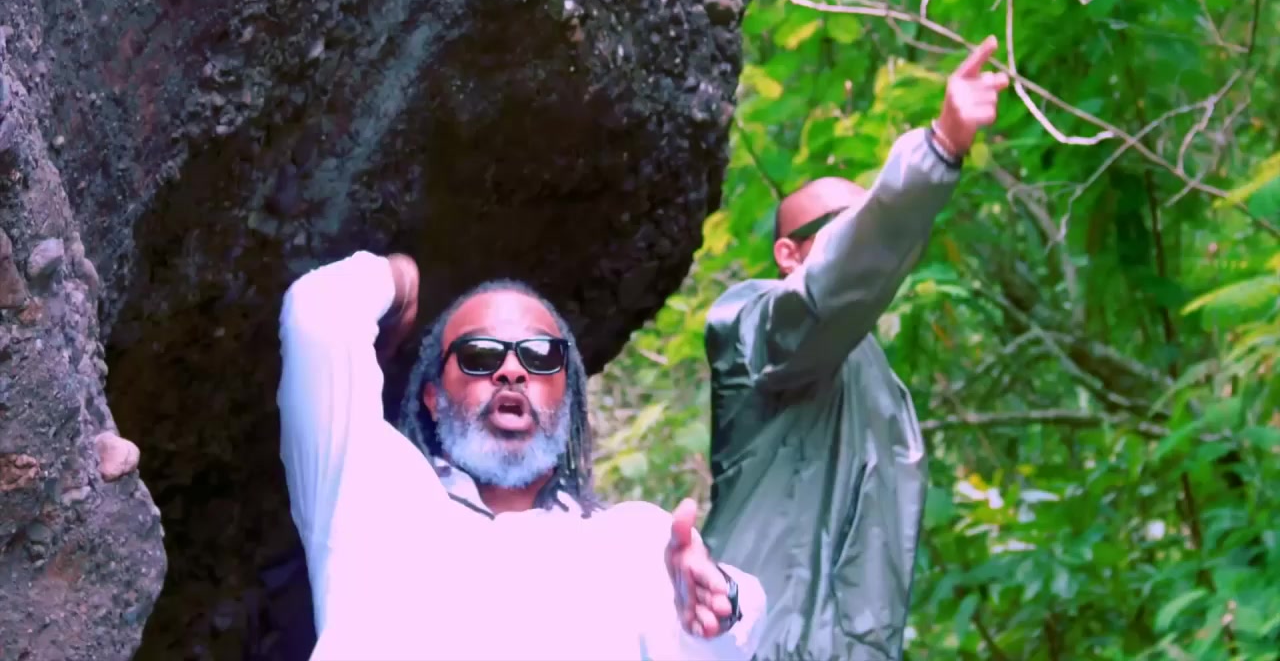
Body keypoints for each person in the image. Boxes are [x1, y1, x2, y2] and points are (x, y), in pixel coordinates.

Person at [275, 249, 766, 660]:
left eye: (540, 356)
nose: (511, 370)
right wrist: (402, 278)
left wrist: (719, 604)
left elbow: (728, 640)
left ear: (567, 399)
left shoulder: (633, 541)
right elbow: (317, 315)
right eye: (480, 355)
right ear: (433, 397)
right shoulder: (373, 493)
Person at [699, 37, 1010, 661]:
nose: (860, 233)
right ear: (788, 252)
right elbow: (829, 289)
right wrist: (937, 151)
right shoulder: (751, 327)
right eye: (840, 226)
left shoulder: (879, 381)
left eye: (863, 217)